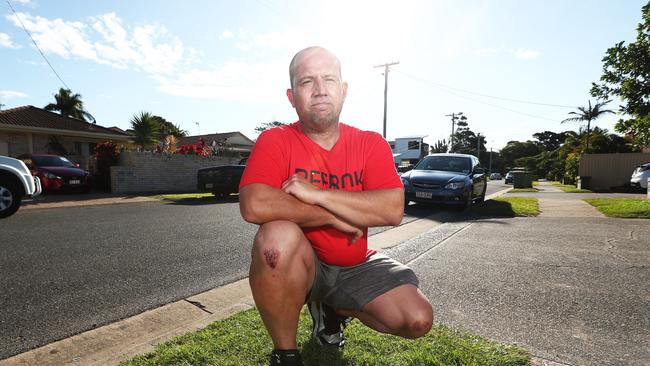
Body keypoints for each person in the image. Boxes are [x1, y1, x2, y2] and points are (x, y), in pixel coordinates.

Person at [239, 46, 433, 366]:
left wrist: (319, 194)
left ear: (343, 91)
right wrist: (333, 216)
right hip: (304, 266)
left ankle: (333, 309)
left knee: (417, 319)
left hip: (354, 263)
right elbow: (254, 204)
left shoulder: (369, 143)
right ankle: (286, 354)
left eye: (328, 79)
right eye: (306, 81)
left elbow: (391, 209)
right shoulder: (276, 140)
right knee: (275, 239)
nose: (319, 89)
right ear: (291, 96)